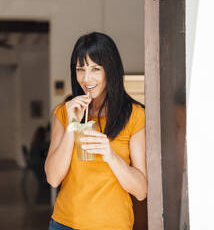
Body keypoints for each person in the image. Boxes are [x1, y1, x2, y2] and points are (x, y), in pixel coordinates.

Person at [45, 32, 146, 230]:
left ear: (111, 70)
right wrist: (72, 126)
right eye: (80, 69)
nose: (86, 78)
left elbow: (141, 190)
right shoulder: (64, 113)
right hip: (65, 224)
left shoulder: (135, 115)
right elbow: (53, 178)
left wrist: (110, 155)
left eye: (95, 69)